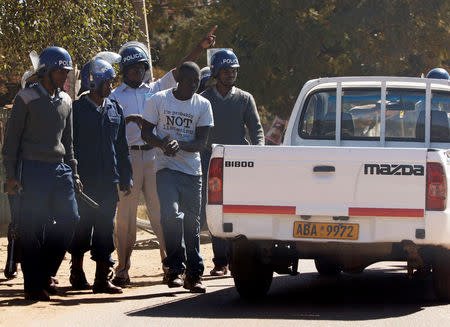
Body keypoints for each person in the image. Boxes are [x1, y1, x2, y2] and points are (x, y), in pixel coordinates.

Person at [110, 26, 217, 287]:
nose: (138, 71)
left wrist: (199, 48)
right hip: (129, 159)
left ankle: (171, 269)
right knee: (125, 219)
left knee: (163, 217)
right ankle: (122, 270)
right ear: (124, 70)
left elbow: (184, 70)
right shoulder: (114, 96)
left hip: (157, 159)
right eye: (133, 68)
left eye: (141, 67)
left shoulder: (156, 89)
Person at [2, 46, 82, 301]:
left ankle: (45, 273)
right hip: (32, 168)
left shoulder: (67, 101)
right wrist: (11, 176)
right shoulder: (25, 98)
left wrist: (75, 172)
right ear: (45, 71)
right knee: (31, 228)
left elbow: (69, 143)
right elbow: (11, 141)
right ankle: (33, 285)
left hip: (60, 170)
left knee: (70, 219)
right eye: (60, 71)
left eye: (66, 71)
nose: (64, 76)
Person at [133, 61, 213, 293]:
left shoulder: (203, 105)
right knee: (170, 215)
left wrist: (180, 145)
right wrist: (162, 144)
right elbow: (146, 132)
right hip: (165, 168)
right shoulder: (159, 99)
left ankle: (195, 274)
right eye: (188, 81)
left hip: (191, 171)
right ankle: (174, 269)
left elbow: (201, 142)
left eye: (196, 82)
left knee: (192, 223)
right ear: (179, 80)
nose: (192, 86)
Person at [68, 54, 132, 293]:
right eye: (107, 82)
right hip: (84, 183)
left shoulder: (116, 109)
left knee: (106, 229)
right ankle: (76, 273)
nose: (111, 87)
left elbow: (122, 147)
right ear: (93, 83)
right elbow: (69, 145)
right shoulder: (77, 110)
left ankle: (101, 279)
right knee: (81, 229)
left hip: (109, 182)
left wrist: (126, 177)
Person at [200, 49, 264, 276]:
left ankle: (239, 258)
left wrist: (258, 153)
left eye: (233, 71)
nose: (230, 75)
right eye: (226, 71)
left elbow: (256, 129)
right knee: (216, 211)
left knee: (239, 211)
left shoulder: (245, 99)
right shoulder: (204, 98)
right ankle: (220, 262)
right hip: (211, 160)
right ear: (216, 73)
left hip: (239, 162)